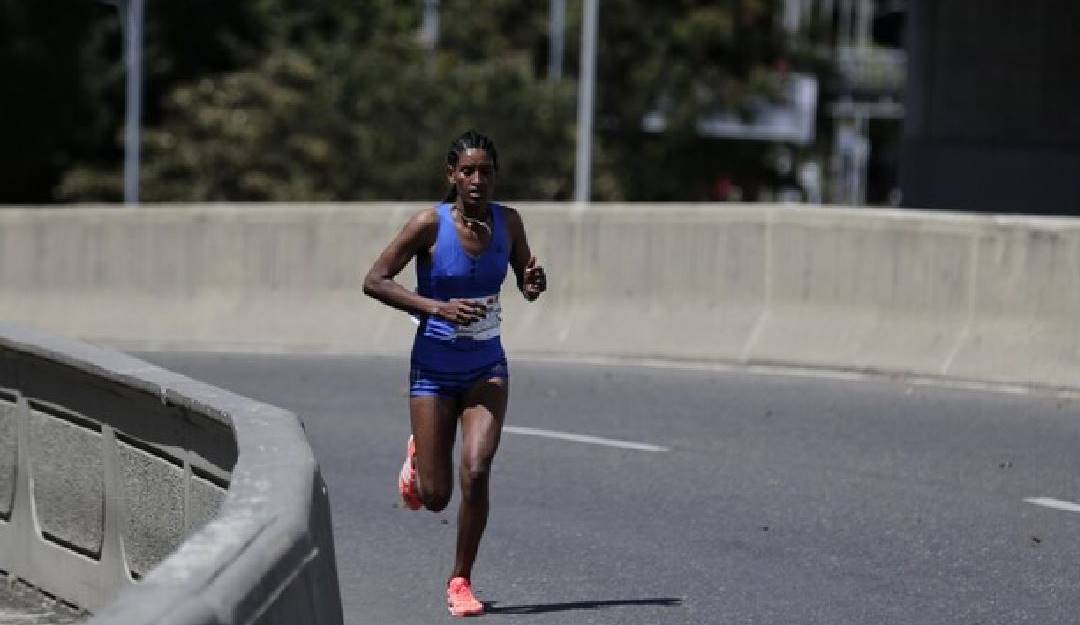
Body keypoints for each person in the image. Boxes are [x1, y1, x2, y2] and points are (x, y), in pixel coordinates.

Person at [362, 130, 547, 617]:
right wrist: (434, 308)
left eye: (485, 171)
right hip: (433, 368)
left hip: (487, 366)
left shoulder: (509, 222)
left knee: (477, 470)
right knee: (435, 496)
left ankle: (461, 579)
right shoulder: (429, 225)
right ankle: (418, 459)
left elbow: (526, 280)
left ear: (495, 175)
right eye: (468, 171)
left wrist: (533, 282)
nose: (477, 179)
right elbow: (374, 280)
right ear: (452, 175)